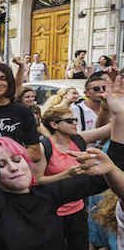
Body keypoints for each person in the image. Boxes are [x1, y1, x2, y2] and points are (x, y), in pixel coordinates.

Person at [0, 75, 124, 250]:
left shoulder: (47, 194)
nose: (13, 167)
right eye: (1, 165)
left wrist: (119, 115)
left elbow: (106, 174)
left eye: (18, 160)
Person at [34, 106, 111, 249]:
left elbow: (109, 128)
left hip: (78, 210)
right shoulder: (45, 146)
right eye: (69, 121)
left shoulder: (78, 139)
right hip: (54, 212)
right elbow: (37, 180)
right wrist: (66, 174)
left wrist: (110, 105)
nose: (75, 123)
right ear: (54, 124)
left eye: (75, 120)